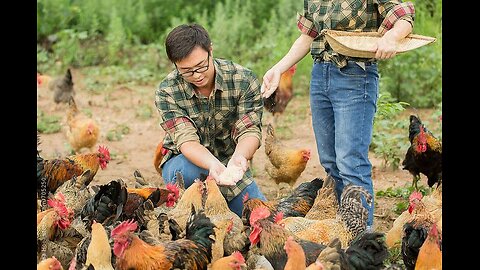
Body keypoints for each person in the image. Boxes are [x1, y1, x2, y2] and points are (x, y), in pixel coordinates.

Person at [261, 0, 415, 229]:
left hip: (355, 75)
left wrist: (392, 37)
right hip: (320, 74)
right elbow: (307, 36)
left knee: (350, 161)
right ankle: (346, 225)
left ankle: (361, 237)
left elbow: (404, 16)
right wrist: (278, 68)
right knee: (331, 161)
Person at [155, 23, 266, 217]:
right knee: (187, 173)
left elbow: (249, 129)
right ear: (175, 65)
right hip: (188, 162)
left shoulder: (243, 80)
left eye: (201, 66)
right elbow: (186, 140)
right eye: (187, 71)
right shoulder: (167, 91)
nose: (197, 75)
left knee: (260, 215)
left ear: (211, 50)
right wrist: (212, 165)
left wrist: (239, 158)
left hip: (230, 165)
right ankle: (190, 212)